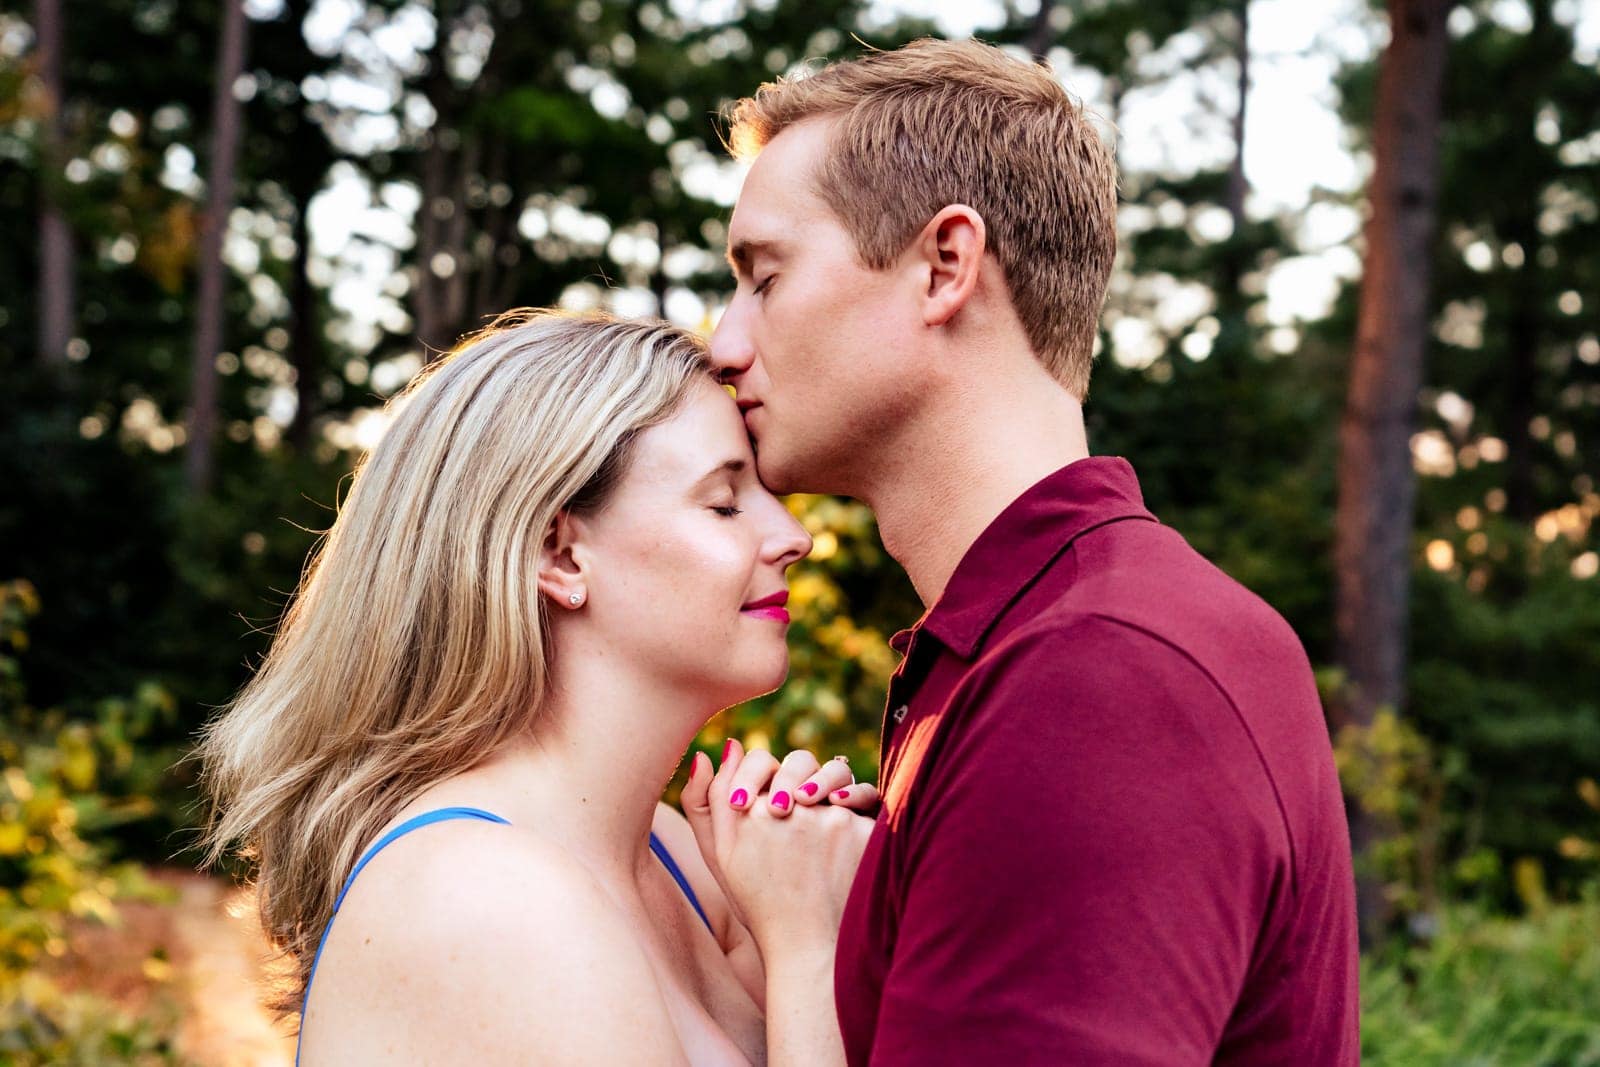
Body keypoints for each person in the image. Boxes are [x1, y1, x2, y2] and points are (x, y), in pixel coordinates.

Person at [690, 37, 1361, 1065]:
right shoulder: (1052, 641)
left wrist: (805, 947)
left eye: (763, 278)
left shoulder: (1101, 675)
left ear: (943, 267)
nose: (723, 344)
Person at [196, 310, 875, 1064]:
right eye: (723, 501)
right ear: (560, 553)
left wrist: (814, 910)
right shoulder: (487, 896)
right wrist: (811, 950)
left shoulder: (676, 855)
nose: (793, 535)